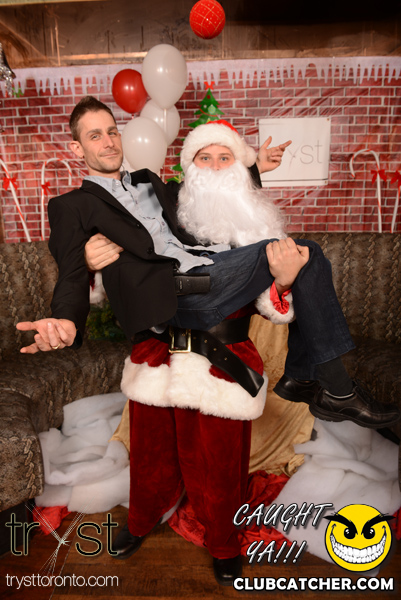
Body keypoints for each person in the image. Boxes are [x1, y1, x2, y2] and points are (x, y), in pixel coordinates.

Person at [16, 97, 400, 585]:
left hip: (209, 282)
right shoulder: (71, 205)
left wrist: (251, 166)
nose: (108, 141)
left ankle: (227, 536)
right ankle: (326, 385)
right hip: (171, 298)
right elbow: (71, 273)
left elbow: (210, 185)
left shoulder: (152, 183)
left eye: (112, 131)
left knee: (305, 255)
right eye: (95, 135)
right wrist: (65, 320)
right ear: (77, 148)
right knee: (151, 457)